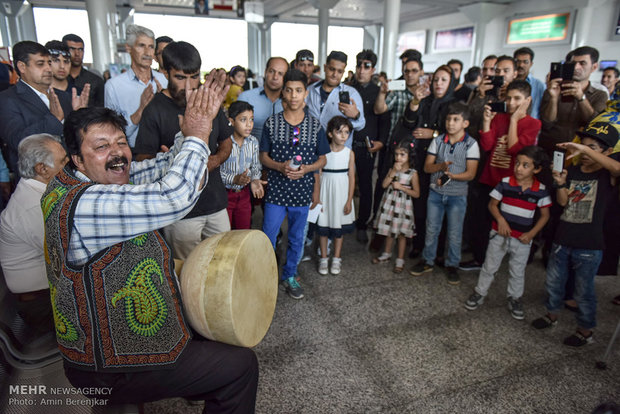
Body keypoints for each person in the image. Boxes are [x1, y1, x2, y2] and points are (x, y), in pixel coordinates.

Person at [44, 76, 259, 411]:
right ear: (77, 159)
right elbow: (174, 195)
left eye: (120, 143)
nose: (116, 155)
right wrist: (200, 135)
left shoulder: (77, 181)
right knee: (240, 367)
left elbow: (160, 169)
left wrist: (187, 134)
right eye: (101, 147)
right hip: (110, 368)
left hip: (100, 357)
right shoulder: (85, 205)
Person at [134, 41, 233, 260]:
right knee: (187, 269)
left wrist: (209, 162)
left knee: (223, 262)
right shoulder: (155, 109)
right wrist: (172, 160)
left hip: (215, 202)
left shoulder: (208, 102)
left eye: (194, 76)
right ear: (165, 72)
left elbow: (227, 143)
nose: (189, 86)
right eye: (180, 77)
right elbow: (142, 159)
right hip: (180, 211)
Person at [532, 122, 620, 347]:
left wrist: (583, 150)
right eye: (583, 146)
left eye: (593, 148)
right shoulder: (572, 170)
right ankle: (551, 315)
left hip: (589, 245)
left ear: (607, 152)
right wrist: (560, 183)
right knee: (553, 283)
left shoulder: (607, 175)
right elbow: (563, 202)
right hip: (563, 239)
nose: (585, 152)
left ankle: (585, 330)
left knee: (584, 291)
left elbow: (617, 169)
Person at [259, 69, 329, 300]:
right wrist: (279, 167)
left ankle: (289, 275)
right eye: (288, 90)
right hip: (277, 191)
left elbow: (323, 158)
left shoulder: (315, 125)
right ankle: (265, 275)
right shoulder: (272, 123)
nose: (293, 95)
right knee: (268, 235)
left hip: (302, 192)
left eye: (298, 90)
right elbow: (263, 156)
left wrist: (308, 171)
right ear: (282, 94)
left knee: (297, 238)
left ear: (305, 94)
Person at [461, 79, 539, 272]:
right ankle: (479, 259)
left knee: (505, 225)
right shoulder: (500, 117)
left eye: (517, 99)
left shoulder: (533, 124)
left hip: (512, 182)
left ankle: (502, 262)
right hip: (490, 176)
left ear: (527, 101)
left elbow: (514, 149)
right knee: (480, 220)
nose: (511, 103)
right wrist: (487, 122)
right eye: (508, 98)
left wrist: (514, 120)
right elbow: (487, 146)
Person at [465, 146, 551, 320]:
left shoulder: (540, 190)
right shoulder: (505, 182)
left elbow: (545, 216)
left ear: (537, 169)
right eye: (517, 163)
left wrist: (531, 234)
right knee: (490, 266)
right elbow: (492, 204)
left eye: (525, 165)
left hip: (522, 239)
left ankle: (515, 298)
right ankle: (479, 292)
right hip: (499, 235)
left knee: (517, 271)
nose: (518, 168)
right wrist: (500, 220)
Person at [0, 134, 68, 333]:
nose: (68, 164)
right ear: (42, 169)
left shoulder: (39, 193)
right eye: (62, 161)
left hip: (48, 295)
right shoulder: (32, 206)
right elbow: (65, 255)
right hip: (42, 305)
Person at [409, 102, 479, 284]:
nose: (450, 123)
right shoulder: (438, 140)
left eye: (456, 120)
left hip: (457, 196)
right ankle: (427, 260)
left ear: (465, 123)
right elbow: (427, 167)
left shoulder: (471, 144)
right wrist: (440, 166)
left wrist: (452, 175)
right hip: (436, 194)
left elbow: (471, 174)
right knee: (431, 228)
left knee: (455, 232)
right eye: (448, 119)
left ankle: (452, 265)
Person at [400, 65, 456, 258]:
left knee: (439, 207)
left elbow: (457, 134)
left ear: (451, 84)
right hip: (421, 159)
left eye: (444, 80)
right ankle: (418, 244)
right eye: (436, 79)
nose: (439, 84)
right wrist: (416, 101)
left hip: (443, 162)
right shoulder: (425, 101)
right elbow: (408, 122)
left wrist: (433, 134)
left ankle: (438, 250)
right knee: (420, 205)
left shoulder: (455, 104)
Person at [0, 41, 72, 174]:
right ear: (22, 66)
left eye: (49, 63)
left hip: (70, 173)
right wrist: (54, 119)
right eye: (40, 64)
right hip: (37, 178)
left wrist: (80, 115)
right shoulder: (7, 100)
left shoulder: (63, 97)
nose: (48, 69)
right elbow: (18, 141)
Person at [349, 49, 390, 243]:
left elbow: (384, 119)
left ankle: (362, 224)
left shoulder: (378, 92)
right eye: (359, 65)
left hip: (367, 146)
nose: (361, 69)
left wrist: (381, 141)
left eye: (366, 66)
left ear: (373, 69)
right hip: (346, 145)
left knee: (365, 186)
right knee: (343, 184)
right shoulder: (346, 88)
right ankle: (341, 220)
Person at [104, 24, 168, 148]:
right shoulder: (113, 86)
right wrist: (141, 109)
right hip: (131, 155)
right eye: (141, 46)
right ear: (128, 48)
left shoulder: (164, 81)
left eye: (151, 47)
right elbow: (112, 133)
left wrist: (163, 103)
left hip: (163, 153)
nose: (147, 52)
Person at [372, 140, 420, 273]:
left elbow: (416, 193)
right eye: (396, 154)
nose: (398, 158)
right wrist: (393, 172)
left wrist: (402, 188)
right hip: (390, 204)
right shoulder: (392, 169)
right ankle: (386, 254)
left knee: (401, 234)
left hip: (403, 207)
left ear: (410, 156)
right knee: (389, 230)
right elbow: (384, 185)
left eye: (403, 154)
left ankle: (400, 259)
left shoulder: (412, 173)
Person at [316, 116, 356, 275]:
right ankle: (324, 258)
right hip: (326, 191)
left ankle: (337, 258)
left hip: (341, 193)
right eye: (339, 132)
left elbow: (351, 177)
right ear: (331, 133)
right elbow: (318, 175)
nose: (343, 136)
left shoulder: (349, 153)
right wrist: (317, 197)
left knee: (338, 228)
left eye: (346, 132)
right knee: (323, 228)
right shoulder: (323, 152)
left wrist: (349, 200)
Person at [220, 100, 265, 229]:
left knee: (242, 232)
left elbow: (256, 166)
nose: (249, 125)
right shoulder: (223, 142)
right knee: (224, 234)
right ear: (232, 121)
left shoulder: (253, 142)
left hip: (244, 195)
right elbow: (216, 171)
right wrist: (234, 179)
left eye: (251, 120)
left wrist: (255, 179)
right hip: (225, 195)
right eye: (243, 120)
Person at [306, 50, 365, 148]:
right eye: (332, 69)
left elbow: (361, 124)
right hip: (313, 151)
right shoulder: (310, 90)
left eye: (339, 71)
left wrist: (356, 115)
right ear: (325, 67)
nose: (335, 74)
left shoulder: (352, 94)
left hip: (339, 154)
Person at [238, 57, 287, 141]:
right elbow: (236, 133)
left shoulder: (291, 101)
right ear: (265, 72)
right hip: (251, 152)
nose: (275, 77)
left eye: (280, 73)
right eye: (271, 71)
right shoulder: (246, 98)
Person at [45, 40, 91, 111]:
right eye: (56, 60)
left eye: (66, 61)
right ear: (47, 63)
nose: (62, 66)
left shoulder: (79, 94)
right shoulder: (41, 94)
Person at [62, 34, 105, 107]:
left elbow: (101, 111)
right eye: (72, 49)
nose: (77, 54)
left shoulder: (96, 81)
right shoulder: (58, 80)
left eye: (80, 49)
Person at [513, 47, 545, 119]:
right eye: (518, 61)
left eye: (525, 62)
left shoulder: (539, 85)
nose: (521, 65)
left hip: (531, 126)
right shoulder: (509, 82)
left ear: (531, 64)